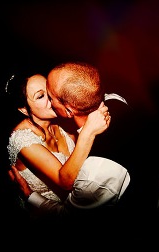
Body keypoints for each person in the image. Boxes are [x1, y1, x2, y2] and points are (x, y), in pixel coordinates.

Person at [15, 61, 159, 234]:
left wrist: (30, 197)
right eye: (42, 96)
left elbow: (70, 218)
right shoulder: (116, 100)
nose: (49, 102)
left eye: (50, 95)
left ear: (69, 110)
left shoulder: (93, 173)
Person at [6, 71, 112, 210]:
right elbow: (65, 181)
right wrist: (88, 133)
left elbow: (79, 165)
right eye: (40, 96)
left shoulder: (63, 121)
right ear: (24, 110)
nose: (50, 97)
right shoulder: (22, 139)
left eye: (49, 90)